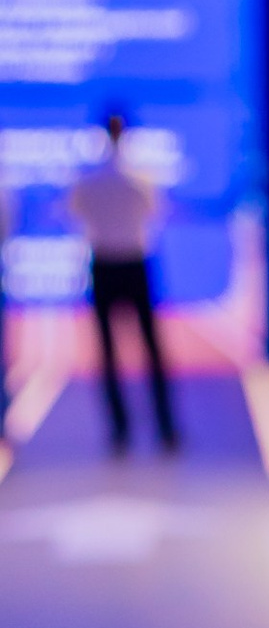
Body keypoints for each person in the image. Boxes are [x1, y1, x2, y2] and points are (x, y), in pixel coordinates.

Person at [67, 108, 178, 454]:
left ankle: (120, 431)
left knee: (109, 352)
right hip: (133, 263)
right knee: (151, 349)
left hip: (105, 264)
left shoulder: (89, 177)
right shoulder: (139, 176)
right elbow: (155, 212)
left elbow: (76, 212)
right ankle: (165, 428)